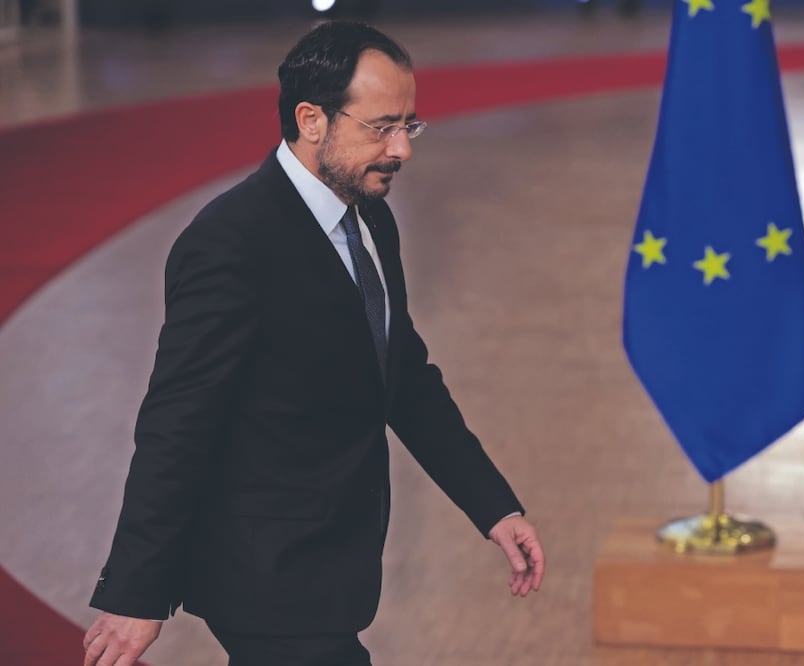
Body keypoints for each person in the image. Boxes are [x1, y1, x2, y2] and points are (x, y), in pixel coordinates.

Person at [81, 20, 544, 666]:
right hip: (265, 576)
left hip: (335, 566)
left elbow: (401, 373)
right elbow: (176, 424)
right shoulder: (232, 243)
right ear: (312, 120)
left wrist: (492, 506)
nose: (402, 150)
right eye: (380, 127)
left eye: (408, 126)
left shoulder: (372, 217)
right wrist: (136, 593)